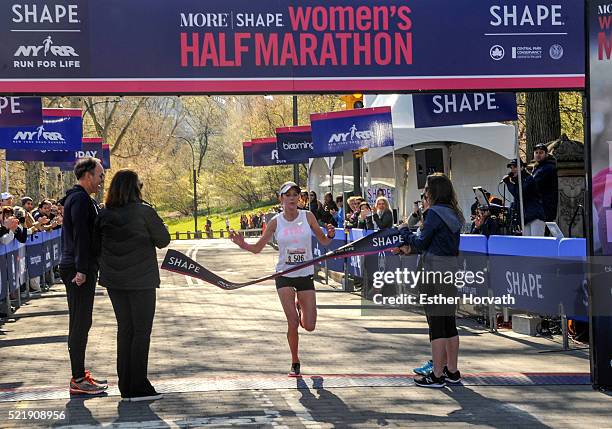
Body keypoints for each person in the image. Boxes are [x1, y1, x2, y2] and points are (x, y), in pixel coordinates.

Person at [229, 181, 335, 377]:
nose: (292, 198)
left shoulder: (308, 216)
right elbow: (257, 248)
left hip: (304, 275)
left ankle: (299, 304)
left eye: (295, 195)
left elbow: (325, 241)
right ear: (281, 199)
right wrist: (242, 243)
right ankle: (295, 361)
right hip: (284, 276)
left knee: (309, 326)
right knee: (293, 322)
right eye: (288, 195)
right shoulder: (276, 222)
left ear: (299, 199)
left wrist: (330, 234)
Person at [93, 169, 170, 402]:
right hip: (142, 279)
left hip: (115, 281)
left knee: (124, 329)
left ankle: (125, 384)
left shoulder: (104, 213)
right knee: (141, 332)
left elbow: (96, 245)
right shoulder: (144, 211)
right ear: (135, 188)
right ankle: (139, 385)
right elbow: (163, 240)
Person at [397, 173, 464, 388]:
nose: (424, 193)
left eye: (426, 189)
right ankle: (452, 371)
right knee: (449, 322)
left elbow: (420, 242)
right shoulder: (454, 213)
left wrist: (405, 230)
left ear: (433, 192)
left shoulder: (434, 213)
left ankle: (436, 375)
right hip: (450, 270)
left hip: (433, 271)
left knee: (436, 324)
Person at [59, 157, 108, 395]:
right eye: (99, 176)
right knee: (79, 323)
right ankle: (78, 379)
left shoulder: (81, 199)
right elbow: (80, 235)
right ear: (87, 175)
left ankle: (80, 375)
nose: (101, 181)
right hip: (77, 268)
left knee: (83, 321)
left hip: (81, 265)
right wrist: (81, 269)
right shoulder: (78, 199)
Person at [503, 159, 546, 236]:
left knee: (536, 242)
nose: (512, 170)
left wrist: (509, 183)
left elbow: (519, 194)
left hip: (535, 216)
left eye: (515, 167)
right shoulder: (517, 182)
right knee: (527, 243)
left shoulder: (528, 179)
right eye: (511, 167)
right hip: (525, 218)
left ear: (522, 167)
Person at [531, 143, 558, 223]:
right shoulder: (538, 167)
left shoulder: (548, 168)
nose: (538, 155)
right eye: (536, 152)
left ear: (546, 154)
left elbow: (532, 184)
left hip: (545, 208)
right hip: (539, 208)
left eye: (541, 152)